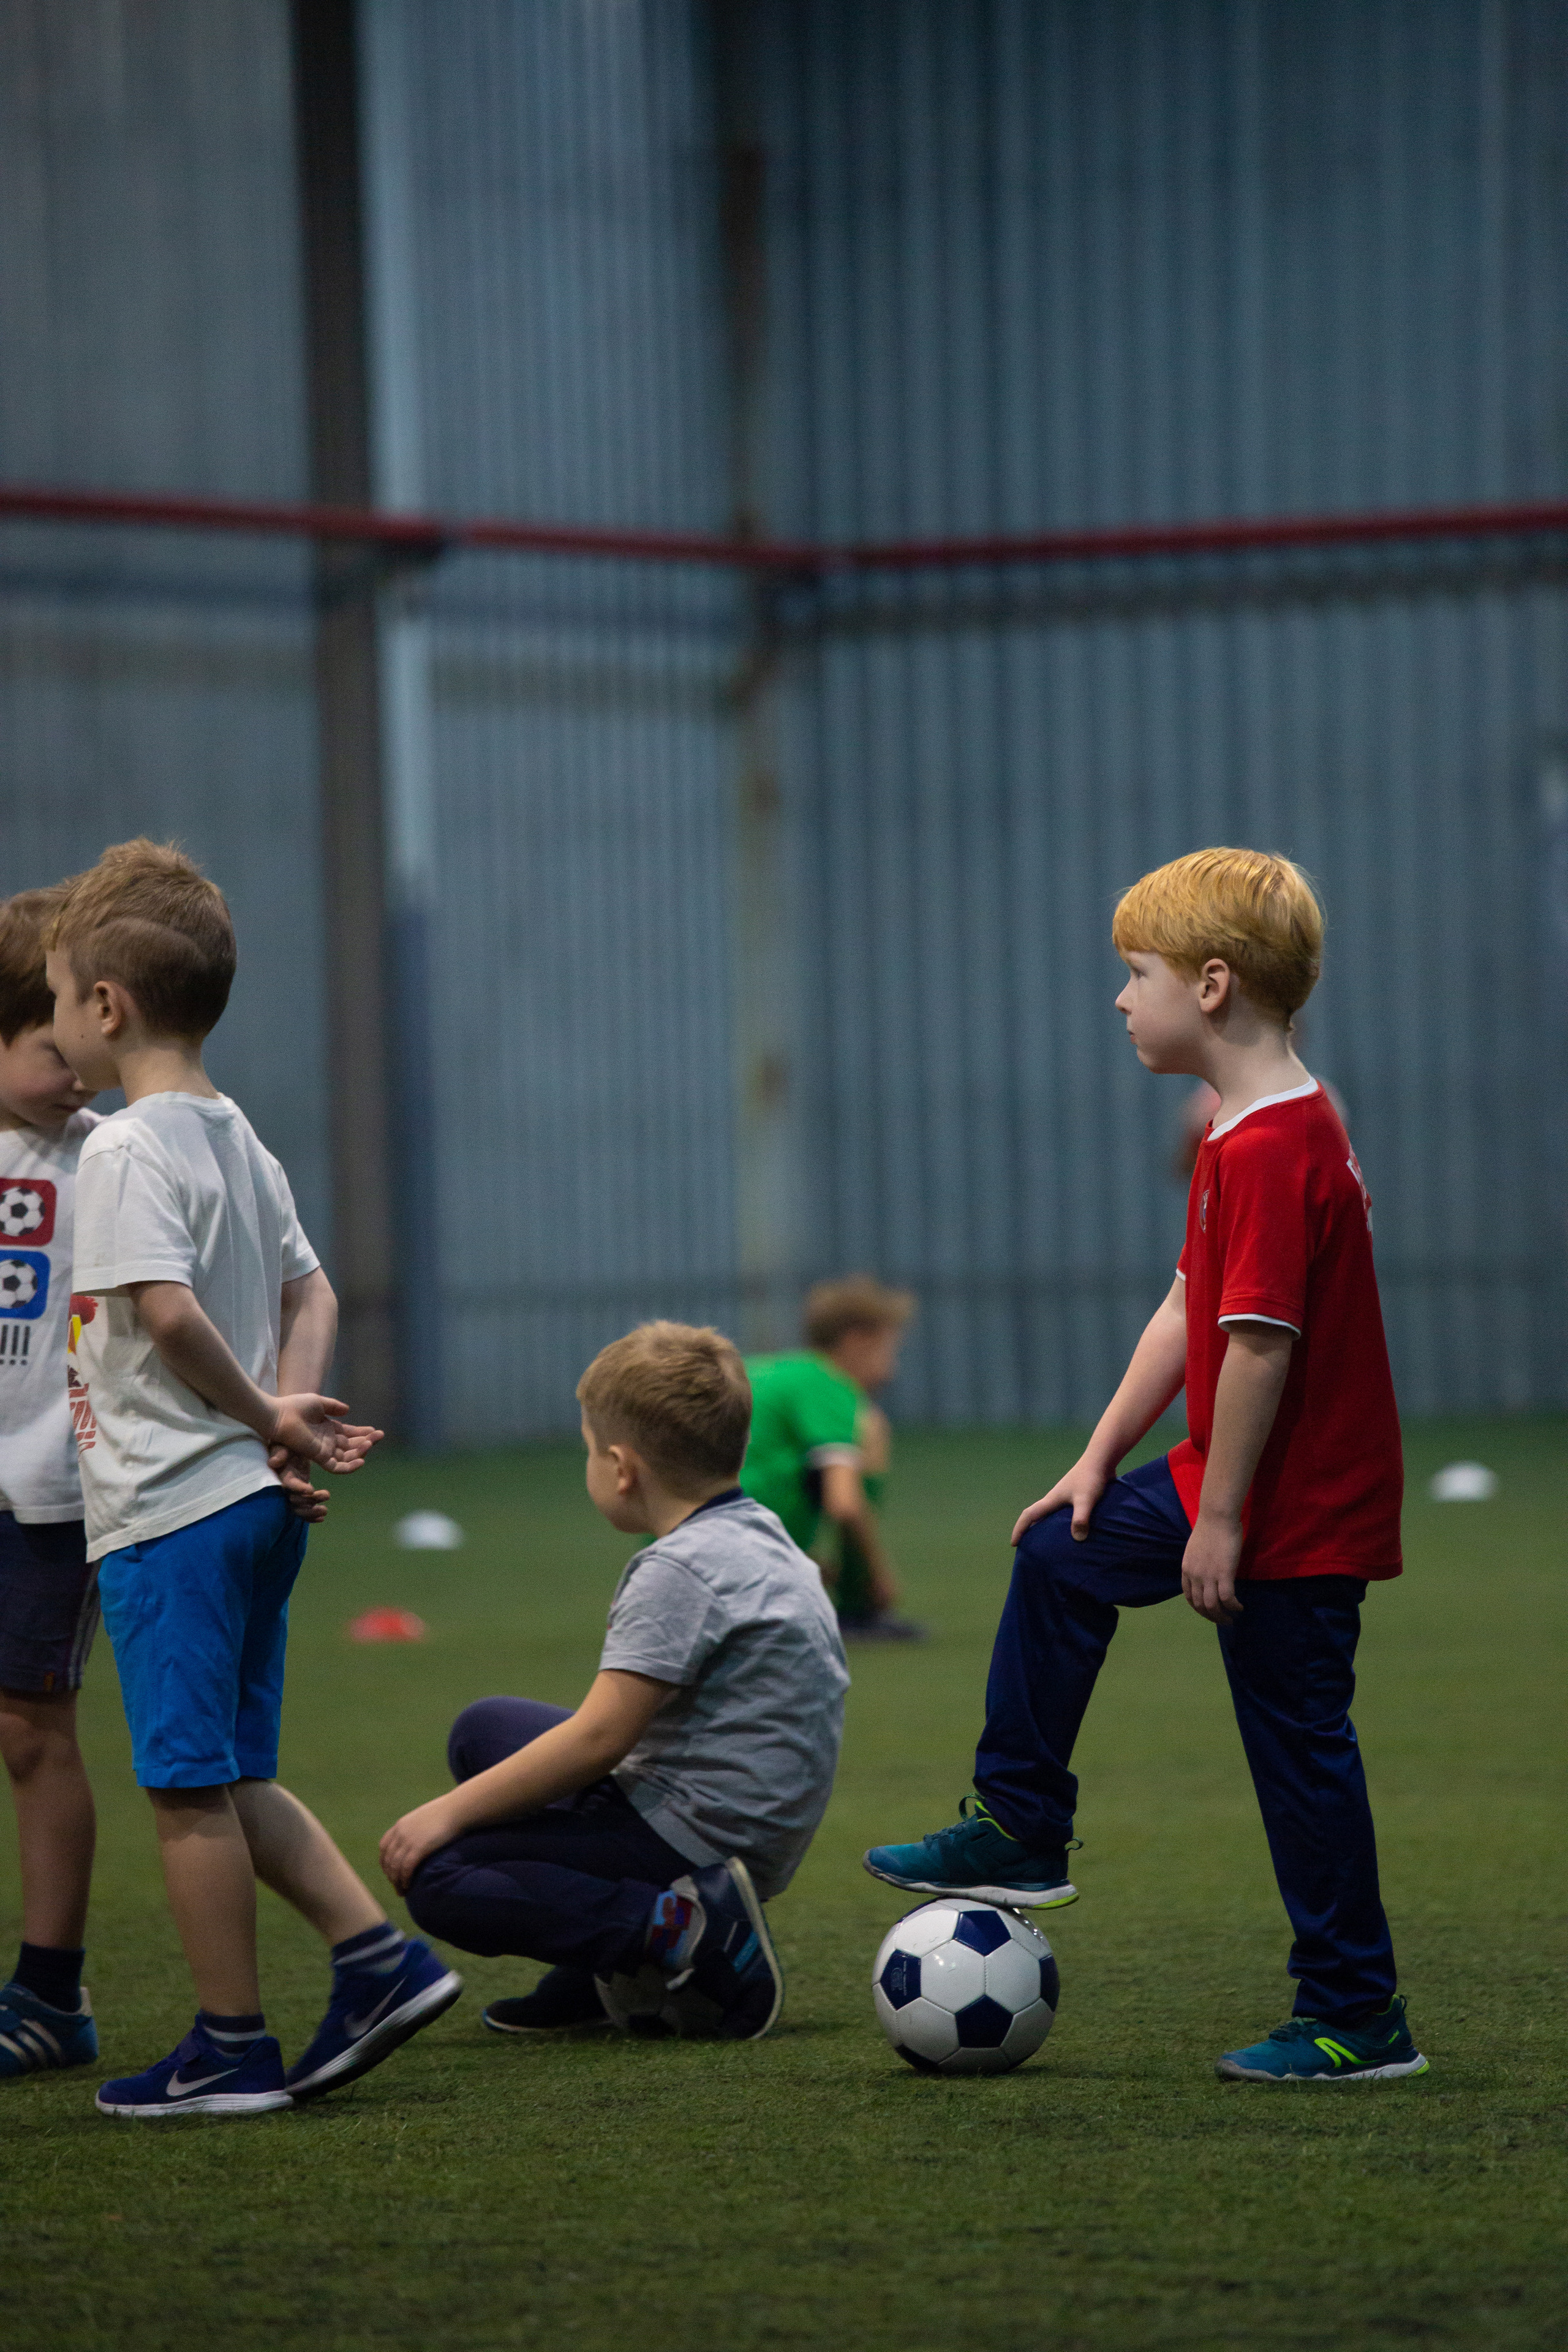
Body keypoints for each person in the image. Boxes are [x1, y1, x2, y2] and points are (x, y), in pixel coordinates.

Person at [864, 848, 1427, 2086]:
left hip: (1290, 1510)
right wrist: (1094, 1457)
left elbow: (1261, 1346)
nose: (1120, 999)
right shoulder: (1237, 1129)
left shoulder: (1280, 1143)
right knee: (1058, 1549)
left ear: (1211, 985)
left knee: (1296, 1753)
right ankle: (1017, 1823)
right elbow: (1188, 1304)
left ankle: (1352, 2018)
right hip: (1218, 1485)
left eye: (1136, 975)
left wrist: (1215, 1522)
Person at [46, 838, 460, 2118]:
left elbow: (165, 1317)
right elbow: (311, 1288)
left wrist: (263, 1412)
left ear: (106, 1008)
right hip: (251, 1505)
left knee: (182, 1793)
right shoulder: (237, 1135)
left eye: (58, 999)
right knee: (231, 1771)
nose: (55, 1025)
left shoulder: (121, 1150)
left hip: (172, 1515)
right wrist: (279, 1426)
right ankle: (378, 1959)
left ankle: (229, 2043)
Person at [382, 1320, 850, 2041]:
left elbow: (600, 1739)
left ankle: (682, 1935)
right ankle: (612, 1973)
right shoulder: (755, 1528)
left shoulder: (677, 1569)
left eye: (588, 1454)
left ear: (623, 1467)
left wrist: (446, 1814)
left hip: (703, 1835)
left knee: (443, 1878)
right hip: (747, 1814)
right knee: (485, 1731)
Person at [0, 887, 104, 2080]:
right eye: (53, 1051)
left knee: (32, 1732)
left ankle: (50, 1990)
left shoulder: (107, 1156)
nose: (81, 1072)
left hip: (47, 1492)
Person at [742, 1275, 922, 1640]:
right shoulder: (829, 1384)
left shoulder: (765, 1371)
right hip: (745, 1564)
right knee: (869, 1434)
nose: (892, 1365)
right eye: (889, 1348)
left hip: (680, 1545)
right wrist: (877, 1575)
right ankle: (858, 1609)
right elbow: (844, 1504)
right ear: (857, 1341)